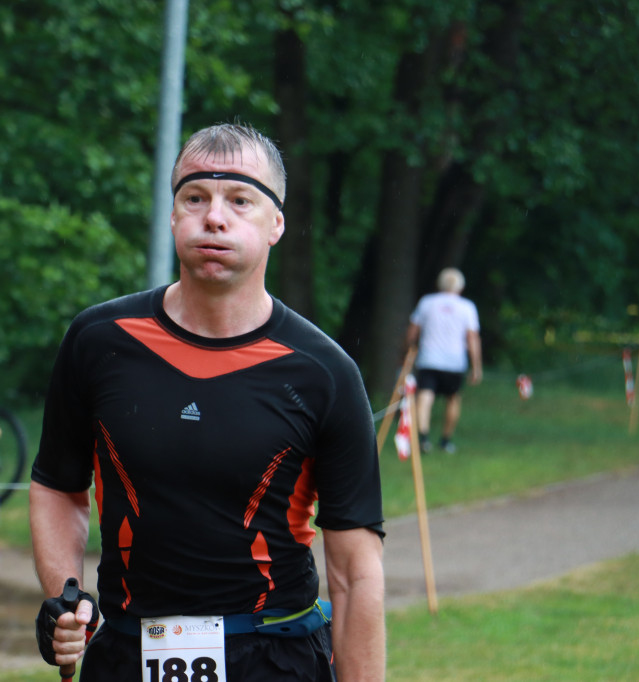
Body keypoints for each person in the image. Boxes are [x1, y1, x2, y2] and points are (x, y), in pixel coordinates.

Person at [30, 123, 386, 682]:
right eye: (195, 198)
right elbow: (58, 485)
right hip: (125, 653)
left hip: (273, 658)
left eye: (240, 200)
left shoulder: (324, 373)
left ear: (277, 224)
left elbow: (355, 574)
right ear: (173, 216)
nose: (214, 217)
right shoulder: (99, 341)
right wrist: (65, 597)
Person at [405, 267, 483, 454]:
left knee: (424, 396)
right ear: (461, 286)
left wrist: (409, 349)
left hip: (429, 358)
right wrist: (476, 367)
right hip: (455, 362)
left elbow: (412, 332)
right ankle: (445, 440)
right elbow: (472, 338)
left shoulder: (427, 302)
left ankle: (423, 438)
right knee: (453, 399)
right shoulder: (467, 307)